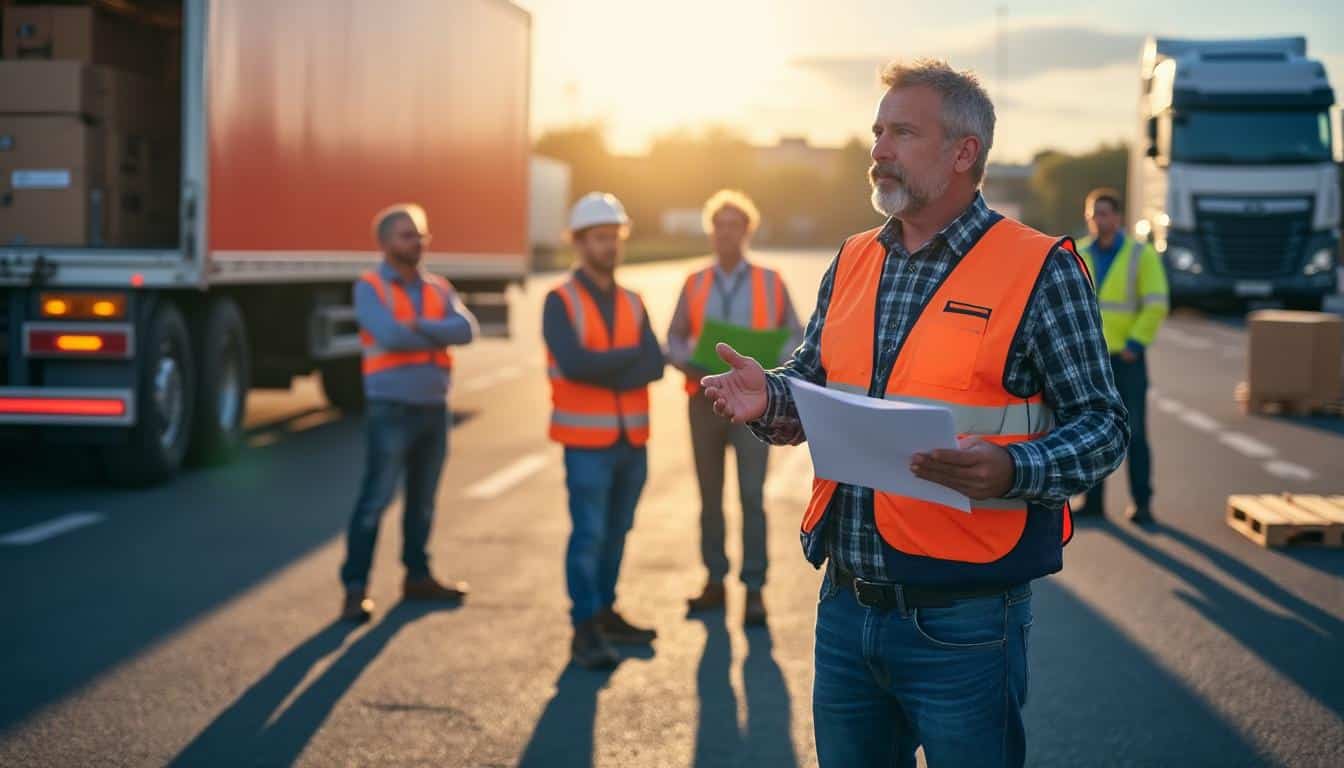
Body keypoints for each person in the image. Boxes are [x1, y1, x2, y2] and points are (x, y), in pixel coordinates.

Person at [701, 60, 1130, 767]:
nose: (878, 149)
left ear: (964, 153)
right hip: (845, 608)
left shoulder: (1039, 268)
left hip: (964, 622)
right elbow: (815, 383)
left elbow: (1103, 424)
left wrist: (1013, 469)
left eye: (901, 131)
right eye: (877, 131)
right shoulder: (852, 260)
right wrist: (768, 396)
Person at [666, 190, 802, 626]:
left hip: (753, 411)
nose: (726, 233)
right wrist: (688, 359)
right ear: (711, 231)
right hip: (703, 402)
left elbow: (796, 337)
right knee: (709, 498)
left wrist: (766, 367)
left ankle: (755, 589)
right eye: (719, 225)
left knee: (750, 496)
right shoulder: (695, 282)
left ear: (747, 230)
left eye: (734, 225)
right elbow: (672, 338)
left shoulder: (771, 281)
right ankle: (714, 582)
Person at [543, 192, 666, 669]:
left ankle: (606, 611)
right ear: (579, 243)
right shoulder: (560, 300)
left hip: (631, 440)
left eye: (614, 237)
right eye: (599, 238)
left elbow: (654, 364)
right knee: (589, 534)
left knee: (617, 532)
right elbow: (574, 365)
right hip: (586, 444)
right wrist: (625, 362)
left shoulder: (634, 301)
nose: (609, 246)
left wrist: (611, 366)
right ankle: (584, 628)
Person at [340, 204, 479, 623]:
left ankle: (417, 577)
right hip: (392, 409)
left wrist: (419, 326)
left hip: (433, 409)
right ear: (383, 243)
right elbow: (389, 335)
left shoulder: (438, 287)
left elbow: (467, 330)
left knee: (422, 502)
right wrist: (434, 329)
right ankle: (355, 589)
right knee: (375, 501)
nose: (416, 242)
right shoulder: (369, 287)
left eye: (420, 234)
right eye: (406, 235)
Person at [1078, 188, 1169, 525]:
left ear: (1117, 217)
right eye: (1093, 214)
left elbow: (1157, 302)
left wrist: (1136, 343)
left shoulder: (1139, 255)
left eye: (1105, 213)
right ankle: (1093, 501)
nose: (1099, 220)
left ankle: (1142, 503)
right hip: (1090, 361)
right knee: (1091, 431)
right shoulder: (1078, 252)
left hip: (1126, 357)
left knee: (1134, 434)